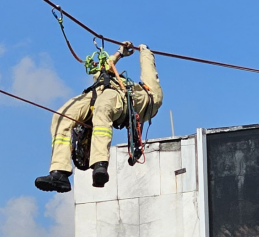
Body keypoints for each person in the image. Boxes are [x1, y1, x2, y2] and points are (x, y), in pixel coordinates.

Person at [35, 42, 163, 193]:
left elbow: (149, 72)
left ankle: (100, 164)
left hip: (120, 98)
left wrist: (145, 51)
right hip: (99, 93)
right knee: (61, 116)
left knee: (102, 110)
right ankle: (59, 173)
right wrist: (120, 52)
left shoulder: (150, 96)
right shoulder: (108, 80)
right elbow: (102, 70)